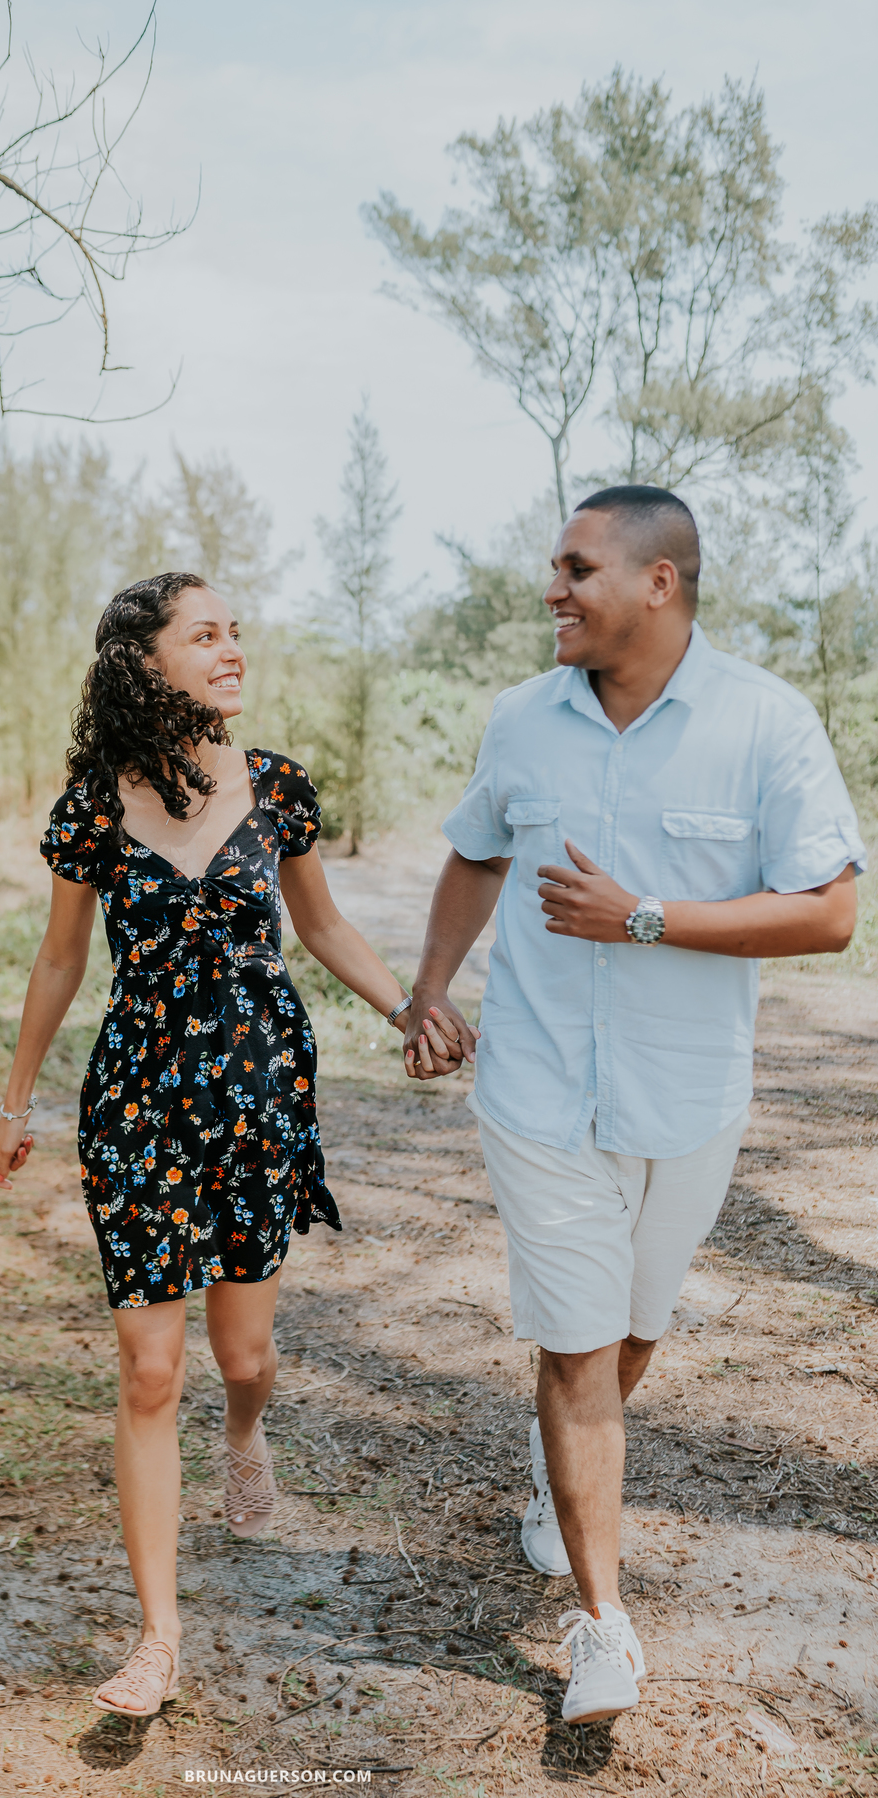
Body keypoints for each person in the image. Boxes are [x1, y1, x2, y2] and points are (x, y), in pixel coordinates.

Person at [404, 485, 863, 1726]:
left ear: (660, 583)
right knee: (576, 1343)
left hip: (689, 1101)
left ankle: (558, 1483)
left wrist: (644, 917)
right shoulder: (521, 721)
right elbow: (478, 850)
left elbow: (827, 910)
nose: (553, 589)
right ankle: (603, 1629)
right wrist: (431, 988)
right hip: (540, 1092)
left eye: (576, 567)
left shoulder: (768, 723)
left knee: (633, 1325)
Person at [0, 572, 451, 1718]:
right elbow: (59, 960)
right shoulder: (93, 804)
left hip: (256, 1105)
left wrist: (409, 1009)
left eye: (235, 631)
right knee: (149, 1371)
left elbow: (325, 924)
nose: (233, 649)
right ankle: (157, 1637)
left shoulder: (279, 786)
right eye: (206, 635)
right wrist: (14, 1098)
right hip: (136, 1108)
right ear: (146, 664)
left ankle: (249, 1434)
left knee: (243, 1359)